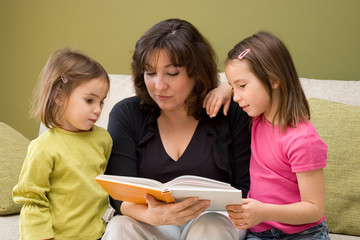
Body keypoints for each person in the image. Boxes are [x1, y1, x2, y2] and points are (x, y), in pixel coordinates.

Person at [102, 18, 251, 240]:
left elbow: (245, 188)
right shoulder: (126, 115)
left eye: (172, 73)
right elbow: (120, 195)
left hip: (217, 219)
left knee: (210, 228)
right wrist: (154, 216)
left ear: (196, 73)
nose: (159, 85)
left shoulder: (231, 112)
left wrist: (231, 88)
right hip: (153, 221)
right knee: (120, 228)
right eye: (150, 72)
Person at [222, 31, 330, 239]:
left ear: (273, 80)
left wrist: (264, 211)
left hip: (303, 232)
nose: (236, 97)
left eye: (242, 86)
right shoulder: (256, 117)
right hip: (260, 232)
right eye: (233, 87)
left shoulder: (302, 140)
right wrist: (224, 90)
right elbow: (235, 88)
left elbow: (314, 208)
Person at [12, 48, 113, 240]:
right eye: (90, 100)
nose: (98, 110)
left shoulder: (103, 140)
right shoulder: (43, 147)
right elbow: (32, 198)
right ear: (59, 96)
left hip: (98, 235)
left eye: (101, 102)